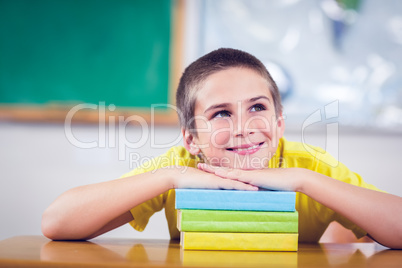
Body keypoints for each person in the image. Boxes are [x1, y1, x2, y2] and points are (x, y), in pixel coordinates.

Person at [42, 48, 402, 249]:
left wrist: (305, 181)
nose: (243, 128)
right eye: (221, 113)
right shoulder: (181, 166)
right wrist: (169, 177)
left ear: (279, 123)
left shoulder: (306, 166)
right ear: (191, 138)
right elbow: (56, 222)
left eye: (258, 108)